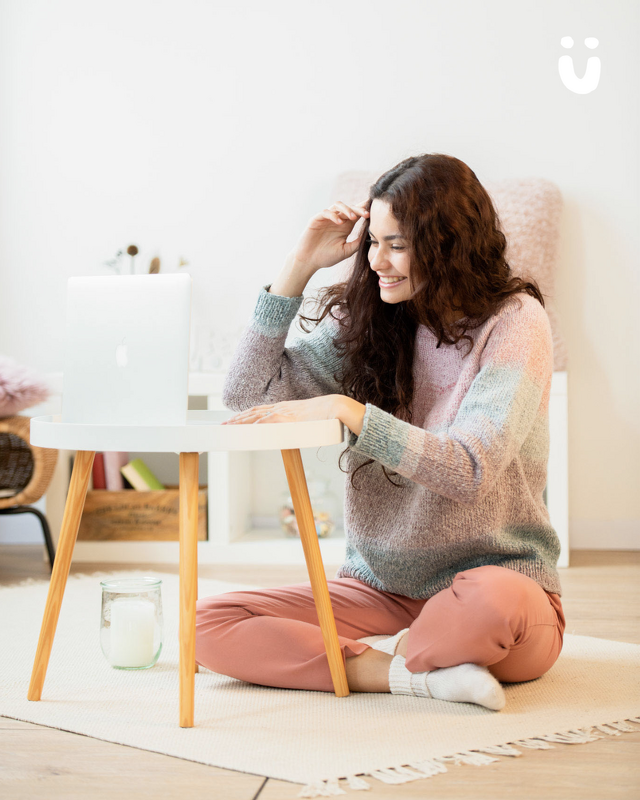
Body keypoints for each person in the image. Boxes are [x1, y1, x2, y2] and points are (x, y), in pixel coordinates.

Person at [195, 153, 565, 711]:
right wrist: (298, 266)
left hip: (497, 582)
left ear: (447, 244)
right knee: (207, 623)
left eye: (397, 244)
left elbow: (470, 466)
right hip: (378, 590)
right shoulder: (369, 322)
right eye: (373, 242)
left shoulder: (515, 322)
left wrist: (352, 412)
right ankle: (417, 672)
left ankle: (385, 656)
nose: (378, 262)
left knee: (486, 609)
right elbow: (247, 393)